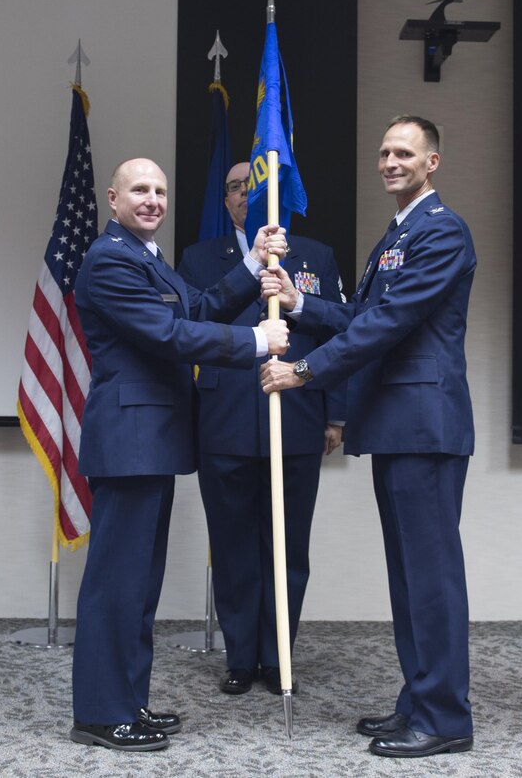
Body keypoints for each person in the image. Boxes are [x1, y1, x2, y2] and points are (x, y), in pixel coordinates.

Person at [259, 115, 476, 759]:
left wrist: (304, 370)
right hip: (396, 425)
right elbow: (360, 314)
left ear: (432, 162)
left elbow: (389, 324)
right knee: (409, 577)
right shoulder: (396, 236)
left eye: (404, 152)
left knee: (430, 577)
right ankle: (419, 700)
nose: (390, 161)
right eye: (384, 151)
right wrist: (299, 305)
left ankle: (444, 717)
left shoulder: (442, 232)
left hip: (425, 427)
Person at [70, 158, 289, 752]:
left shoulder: (146, 257)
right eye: (140, 190)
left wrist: (251, 262)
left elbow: (195, 309)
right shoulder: (109, 258)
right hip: (129, 441)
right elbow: (167, 335)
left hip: (152, 440)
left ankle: (126, 701)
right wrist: (254, 341)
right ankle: (98, 713)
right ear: (113, 198)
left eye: (161, 190)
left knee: (139, 585)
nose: (153, 200)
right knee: (117, 583)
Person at [177, 161, 347, 696]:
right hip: (224, 419)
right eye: (235, 188)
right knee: (232, 547)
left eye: (256, 186)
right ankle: (241, 655)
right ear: (226, 200)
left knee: (289, 547)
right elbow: (191, 329)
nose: (246, 195)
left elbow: (339, 334)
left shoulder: (316, 256)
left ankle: (279, 659)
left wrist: (336, 412)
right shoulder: (200, 258)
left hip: (297, 416)